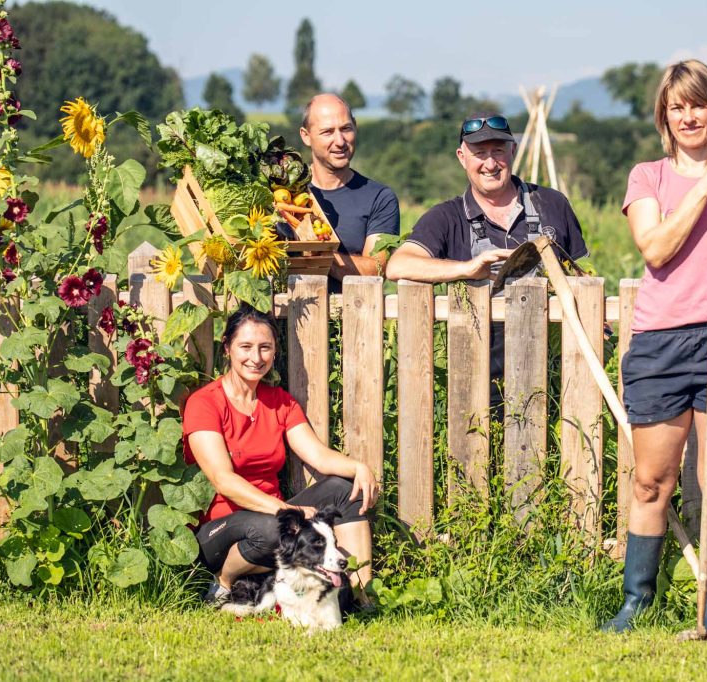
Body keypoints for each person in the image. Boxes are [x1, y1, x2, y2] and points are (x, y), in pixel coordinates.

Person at [601, 60, 707, 636]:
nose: (688, 115)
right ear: (664, 117)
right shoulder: (647, 176)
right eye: (677, 107)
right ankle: (636, 601)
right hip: (659, 341)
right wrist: (703, 188)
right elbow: (655, 249)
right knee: (651, 481)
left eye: (698, 104)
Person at [385, 112, 588, 406]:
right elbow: (399, 264)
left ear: (513, 151)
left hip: (558, 378)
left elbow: (582, 276)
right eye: (479, 153)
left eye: (498, 151)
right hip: (477, 382)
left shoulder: (552, 203)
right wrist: (468, 268)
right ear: (462, 157)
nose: (490, 164)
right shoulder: (446, 217)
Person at [184, 305, 379, 607]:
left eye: (265, 348)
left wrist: (359, 467)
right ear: (227, 348)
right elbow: (223, 480)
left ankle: (362, 596)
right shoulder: (204, 403)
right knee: (272, 530)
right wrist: (286, 510)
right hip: (221, 529)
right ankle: (222, 582)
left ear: (274, 352)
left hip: (276, 516)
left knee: (344, 489)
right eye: (245, 347)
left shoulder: (280, 403)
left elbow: (318, 456)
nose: (256, 357)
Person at [299, 93, 400, 290]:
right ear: (306, 136)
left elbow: (376, 270)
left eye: (346, 129)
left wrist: (316, 254)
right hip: (286, 317)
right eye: (327, 132)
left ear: (356, 127)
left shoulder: (379, 198)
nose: (340, 141)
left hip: (353, 317)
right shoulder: (284, 193)